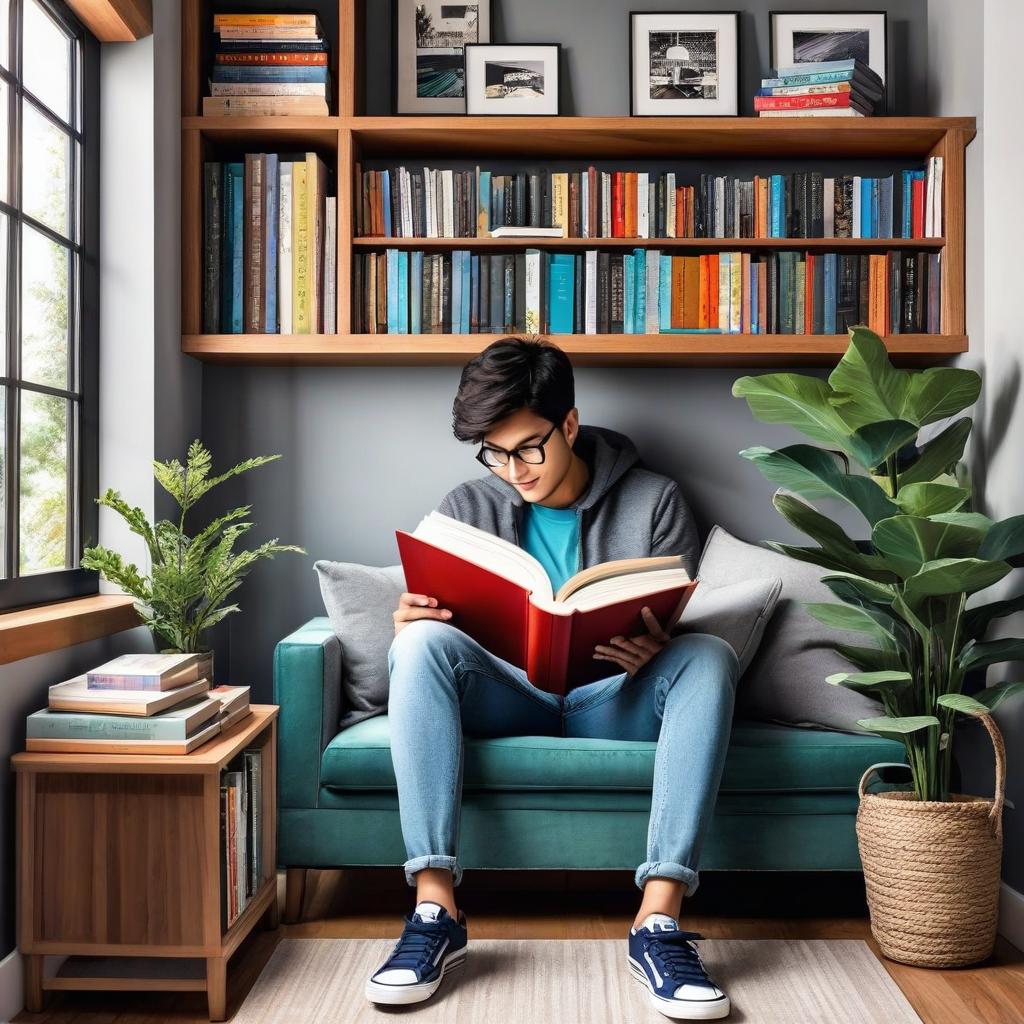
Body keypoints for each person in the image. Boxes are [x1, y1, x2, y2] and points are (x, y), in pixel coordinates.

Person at [365, 337, 737, 1020]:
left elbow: (677, 613)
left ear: (568, 424)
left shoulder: (655, 501)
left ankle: (657, 922)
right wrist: (410, 622)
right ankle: (433, 910)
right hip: (508, 693)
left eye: (528, 447)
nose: (513, 469)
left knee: (710, 657)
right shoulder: (467, 506)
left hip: (610, 696)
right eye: (495, 453)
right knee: (418, 646)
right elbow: (436, 631)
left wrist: (659, 644)